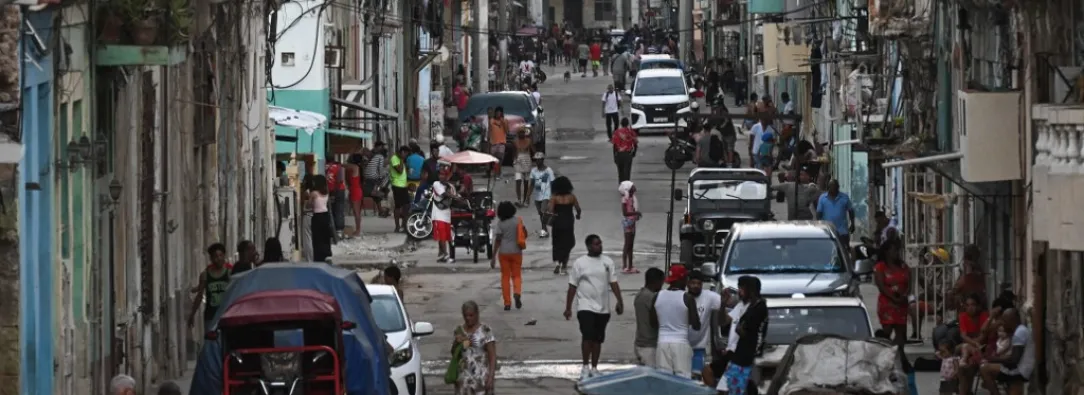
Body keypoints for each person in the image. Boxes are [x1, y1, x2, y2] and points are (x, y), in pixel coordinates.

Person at [563, 234, 624, 381]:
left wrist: (619, 301)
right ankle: (585, 367)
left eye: (600, 244)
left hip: (603, 308)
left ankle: (595, 368)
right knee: (587, 336)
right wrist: (568, 307)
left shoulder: (607, 262)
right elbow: (572, 285)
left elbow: (613, 283)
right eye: (596, 244)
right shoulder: (580, 263)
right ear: (589, 246)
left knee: (598, 339)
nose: (599, 246)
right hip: (585, 306)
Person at [718, 276, 768, 395]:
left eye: (742, 288)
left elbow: (745, 331)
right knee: (725, 389)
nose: (739, 291)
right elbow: (723, 322)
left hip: (744, 357)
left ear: (750, 290)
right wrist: (723, 305)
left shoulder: (757, 308)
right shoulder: (741, 305)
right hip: (735, 356)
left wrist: (740, 328)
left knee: (734, 390)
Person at [650, 265, 701, 378]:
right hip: (680, 343)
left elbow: (653, 323)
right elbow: (696, 325)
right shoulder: (687, 298)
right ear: (683, 280)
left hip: (662, 343)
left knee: (664, 380)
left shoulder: (657, 296)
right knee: (683, 379)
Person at [978, 308, 1033, 395]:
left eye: (1004, 321)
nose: (1003, 324)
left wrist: (992, 359)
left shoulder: (1020, 332)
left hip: (1021, 371)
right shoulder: (1020, 330)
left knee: (984, 369)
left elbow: (1014, 361)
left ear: (1011, 321)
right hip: (1021, 368)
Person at [453, 301, 498, 395]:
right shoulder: (459, 330)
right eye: (465, 315)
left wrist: (491, 377)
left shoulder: (485, 330)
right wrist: (456, 343)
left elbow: (492, 356)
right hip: (464, 379)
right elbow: (454, 354)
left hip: (480, 379)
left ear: (477, 314)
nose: (468, 318)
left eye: (471, 315)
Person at [874, 238, 910, 346]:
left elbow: (909, 282)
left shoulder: (903, 266)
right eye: (894, 250)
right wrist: (894, 298)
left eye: (897, 250)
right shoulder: (880, 267)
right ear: (887, 252)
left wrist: (905, 295)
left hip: (901, 304)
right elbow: (881, 286)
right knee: (887, 333)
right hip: (887, 304)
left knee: (901, 335)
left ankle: (899, 355)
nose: (896, 253)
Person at [687, 272, 723, 380]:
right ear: (688, 284)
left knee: (696, 378)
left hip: (699, 347)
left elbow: (728, 302)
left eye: (699, 283)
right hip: (682, 346)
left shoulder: (709, 296)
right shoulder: (682, 296)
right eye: (693, 283)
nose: (696, 286)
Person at [187, 243, 231, 330]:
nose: (218, 259)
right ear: (211, 258)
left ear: (224, 256)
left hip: (226, 315)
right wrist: (192, 314)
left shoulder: (230, 273)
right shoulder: (205, 275)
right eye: (215, 256)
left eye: (221, 255)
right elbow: (199, 296)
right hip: (211, 316)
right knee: (210, 341)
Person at [492, 201, 526, 310]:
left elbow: (498, 240)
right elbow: (524, 234)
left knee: (505, 277)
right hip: (516, 251)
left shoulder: (500, 224)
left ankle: (507, 303)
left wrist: (493, 256)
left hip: (504, 253)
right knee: (516, 275)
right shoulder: (518, 221)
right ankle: (517, 292)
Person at [549, 176, 582, 274]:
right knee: (568, 243)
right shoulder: (572, 197)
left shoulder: (554, 198)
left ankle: (557, 263)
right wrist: (578, 215)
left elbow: (550, 211)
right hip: (568, 222)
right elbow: (578, 209)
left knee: (557, 243)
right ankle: (564, 265)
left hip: (557, 222)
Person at [634, 267, 665, 367]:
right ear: (656, 282)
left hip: (640, 342)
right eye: (661, 282)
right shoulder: (651, 298)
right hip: (649, 344)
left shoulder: (640, 295)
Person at [816, 179, 856, 248]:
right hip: (828, 232)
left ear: (838, 187)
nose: (833, 188)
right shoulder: (822, 198)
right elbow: (819, 214)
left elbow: (851, 211)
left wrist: (852, 223)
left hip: (842, 232)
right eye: (831, 186)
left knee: (844, 251)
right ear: (828, 187)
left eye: (834, 186)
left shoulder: (844, 197)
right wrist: (819, 226)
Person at [432, 165, 457, 263]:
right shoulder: (436, 184)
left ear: (448, 176)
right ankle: (445, 254)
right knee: (441, 235)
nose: (441, 177)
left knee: (447, 236)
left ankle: (442, 254)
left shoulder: (451, 186)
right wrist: (454, 196)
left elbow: (454, 196)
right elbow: (444, 194)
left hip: (447, 214)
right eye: (440, 175)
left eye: (444, 175)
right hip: (438, 213)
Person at [618, 181, 642, 273]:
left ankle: (630, 266)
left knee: (631, 245)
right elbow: (625, 213)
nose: (634, 187)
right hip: (628, 222)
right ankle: (625, 266)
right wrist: (636, 213)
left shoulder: (632, 198)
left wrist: (636, 215)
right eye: (632, 186)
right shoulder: (625, 199)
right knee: (627, 244)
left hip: (632, 222)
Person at [529, 152, 554, 238]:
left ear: (542, 160)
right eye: (536, 160)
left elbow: (552, 183)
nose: (537, 162)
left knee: (543, 212)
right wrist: (528, 196)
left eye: (539, 160)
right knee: (541, 214)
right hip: (537, 195)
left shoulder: (549, 170)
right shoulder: (533, 171)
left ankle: (543, 230)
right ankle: (545, 229)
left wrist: (554, 196)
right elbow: (532, 184)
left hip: (546, 195)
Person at [310, 175, 334, 262]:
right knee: (325, 237)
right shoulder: (326, 192)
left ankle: (318, 257)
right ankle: (327, 254)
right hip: (325, 215)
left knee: (317, 238)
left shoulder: (314, 193)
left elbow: (309, 205)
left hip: (317, 216)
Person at [364, 142, 391, 217]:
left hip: (369, 176)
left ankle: (381, 210)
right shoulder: (380, 157)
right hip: (372, 176)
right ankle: (383, 190)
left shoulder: (375, 156)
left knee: (377, 195)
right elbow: (380, 170)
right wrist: (383, 175)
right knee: (388, 175)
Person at [390, 146, 411, 233]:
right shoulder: (394, 158)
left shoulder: (401, 160)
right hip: (397, 184)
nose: (406, 156)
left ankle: (404, 225)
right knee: (398, 206)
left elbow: (404, 170)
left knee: (406, 205)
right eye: (405, 154)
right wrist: (402, 159)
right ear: (402, 152)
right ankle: (397, 226)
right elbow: (399, 170)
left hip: (403, 185)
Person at [325, 155, 347, 239]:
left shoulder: (324, 167)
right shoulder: (338, 167)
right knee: (339, 210)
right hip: (339, 190)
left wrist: (332, 193)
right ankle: (339, 232)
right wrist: (335, 192)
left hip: (329, 191)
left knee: (331, 211)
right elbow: (340, 180)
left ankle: (332, 231)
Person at [513, 128, 535, 207]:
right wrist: (514, 161)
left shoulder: (529, 141)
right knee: (518, 180)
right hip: (518, 162)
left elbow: (533, 151)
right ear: (518, 134)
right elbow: (514, 152)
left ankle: (526, 199)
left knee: (526, 182)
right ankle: (519, 200)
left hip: (527, 161)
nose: (521, 134)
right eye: (520, 132)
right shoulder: (515, 141)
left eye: (523, 132)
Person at [612, 118, 637, 182]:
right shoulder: (631, 132)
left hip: (619, 154)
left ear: (621, 124)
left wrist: (614, 156)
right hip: (628, 154)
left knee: (620, 172)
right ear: (628, 124)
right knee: (627, 172)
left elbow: (614, 145)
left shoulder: (616, 132)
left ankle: (621, 185)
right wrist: (634, 153)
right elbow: (635, 143)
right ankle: (627, 185)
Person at [346, 153, 364, 236]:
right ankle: (358, 229)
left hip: (355, 191)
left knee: (356, 212)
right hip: (356, 190)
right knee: (356, 212)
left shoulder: (354, 167)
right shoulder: (356, 167)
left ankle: (358, 230)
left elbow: (344, 165)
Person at [489, 107, 510, 177]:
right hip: (493, 143)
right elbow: (489, 131)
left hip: (501, 142)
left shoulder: (505, 121)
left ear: (501, 113)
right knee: (495, 160)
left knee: (500, 158)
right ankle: (496, 172)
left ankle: (499, 172)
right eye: (497, 112)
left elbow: (507, 131)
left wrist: (503, 122)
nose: (498, 114)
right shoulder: (491, 121)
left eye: (499, 112)